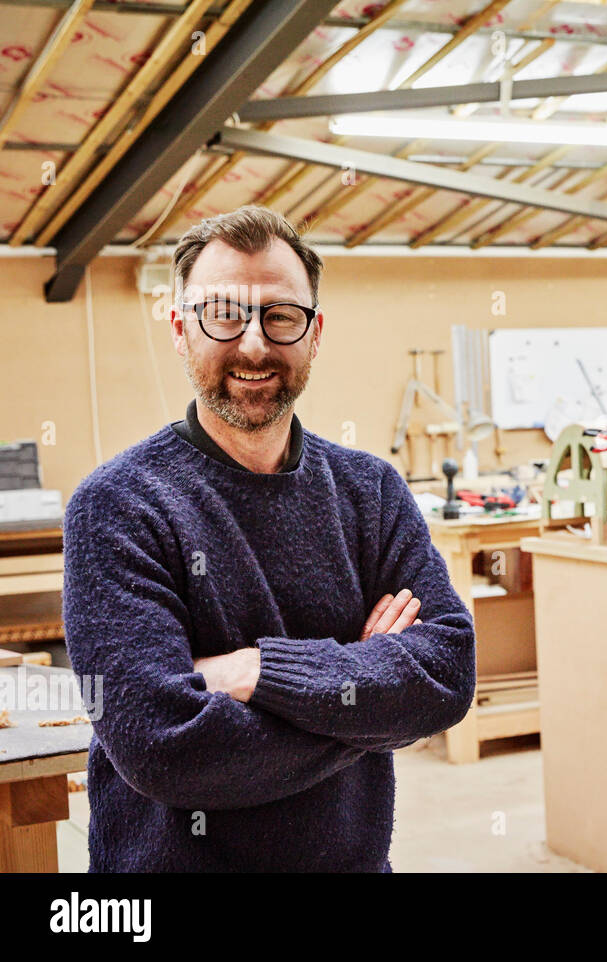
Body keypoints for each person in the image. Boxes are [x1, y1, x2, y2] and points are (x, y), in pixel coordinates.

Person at [62, 206, 476, 871]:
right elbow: (158, 743)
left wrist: (257, 671)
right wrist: (367, 700)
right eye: (222, 313)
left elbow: (446, 677)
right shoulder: (117, 506)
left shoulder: (371, 493)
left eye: (280, 316)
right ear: (178, 329)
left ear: (314, 333)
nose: (253, 345)